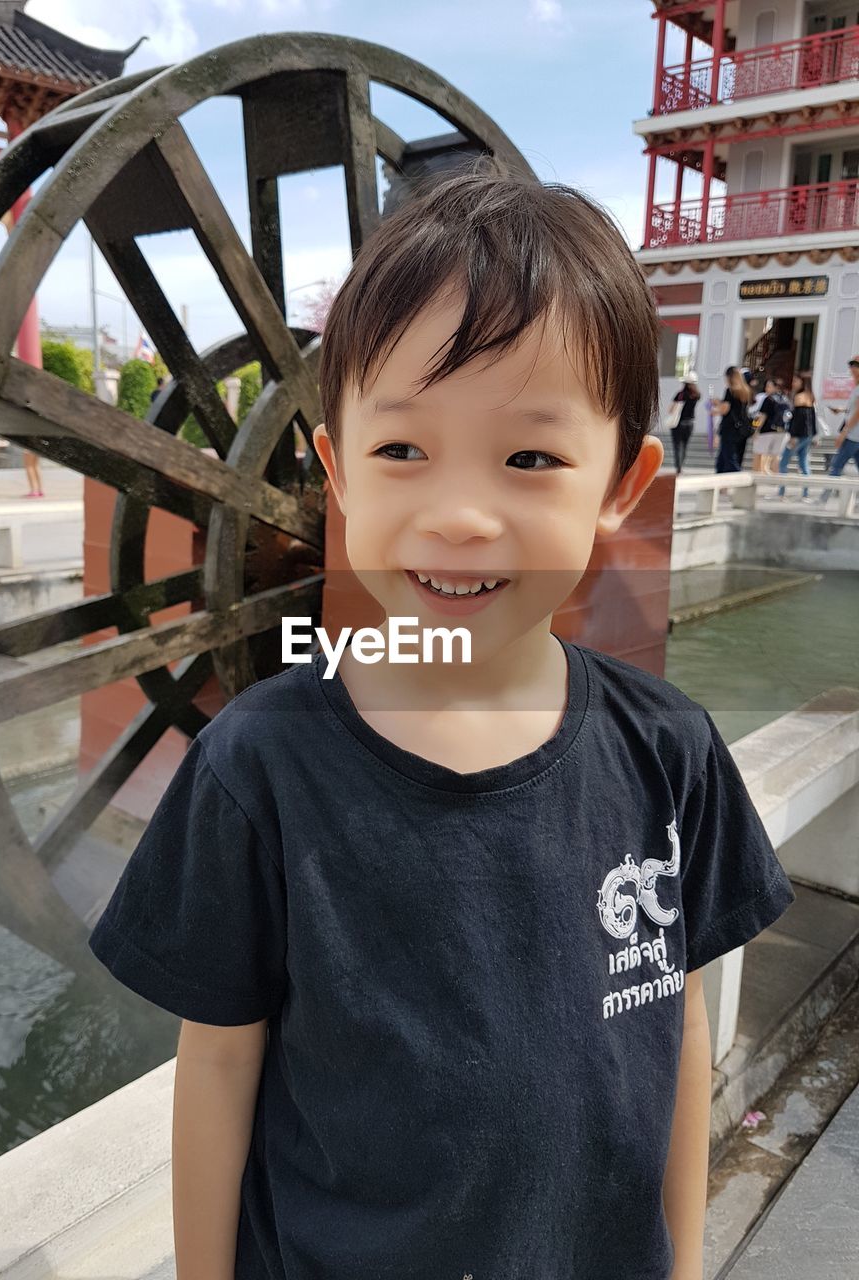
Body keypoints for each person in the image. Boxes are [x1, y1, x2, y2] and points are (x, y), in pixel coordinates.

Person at [87, 168, 794, 1280]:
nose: (460, 515)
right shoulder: (259, 767)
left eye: (530, 457)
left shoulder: (670, 753)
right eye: (403, 450)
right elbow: (219, 1067)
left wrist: (686, 1262)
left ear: (622, 481)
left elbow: (681, 1029)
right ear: (337, 473)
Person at [819, 355, 859, 506]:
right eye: (852, 365)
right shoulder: (856, 387)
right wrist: (842, 410)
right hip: (855, 435)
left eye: (856, 366)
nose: (852, 369)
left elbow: (858, 413)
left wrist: (843, 433)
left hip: (853, 435)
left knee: (836, 465)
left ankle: (823, 499)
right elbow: (854, 409)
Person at [773, 373, 816, 501]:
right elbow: (811, 418)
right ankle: (805, 493)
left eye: (796, 381)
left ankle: (781, 493)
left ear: (802, 382)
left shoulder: (799, 397)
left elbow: (798, 419)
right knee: (803, 463)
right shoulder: (810, 397)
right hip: (807, 434)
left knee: (783, 462)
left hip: (799, 435)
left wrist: (792, 435)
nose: (793, 383)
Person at [711, 366, 751, 472]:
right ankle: (722, 485)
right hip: (741, 429)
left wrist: (717, 405)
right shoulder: (745, 391)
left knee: (728, 459)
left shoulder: (731, 391)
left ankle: (739, 478)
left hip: (729, 428)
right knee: (725, 459)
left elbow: (725, 409)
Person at [750, 377, 789, 476]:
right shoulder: (785, 399)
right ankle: (776, 477)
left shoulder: (768, 399)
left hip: (767, 430)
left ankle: (758, 474)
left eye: (769, 386)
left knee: (759, 453)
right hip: (782, 431)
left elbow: (762, 416)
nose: (766, 389)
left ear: (775, 387)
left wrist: (756, 430)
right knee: (776, 455)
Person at [667, 371, 700, 473]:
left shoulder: (680, 394)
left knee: (677, 446)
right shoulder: (696, 395)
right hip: (690, 423)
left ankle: (678, 467)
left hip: (679, 423)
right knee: (684, 445)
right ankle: (681, 465)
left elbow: (671, 409)